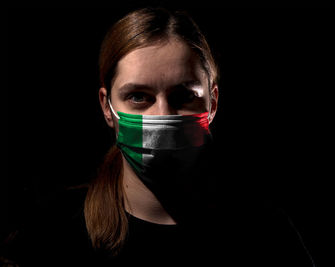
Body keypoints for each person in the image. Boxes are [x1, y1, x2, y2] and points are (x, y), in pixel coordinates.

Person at [3, 7, 315, 266]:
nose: (161, 115)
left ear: (213, 103)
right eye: (139, 97)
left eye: (183, 96)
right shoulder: (49, 236)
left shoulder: (266, 236)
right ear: (107, 107)